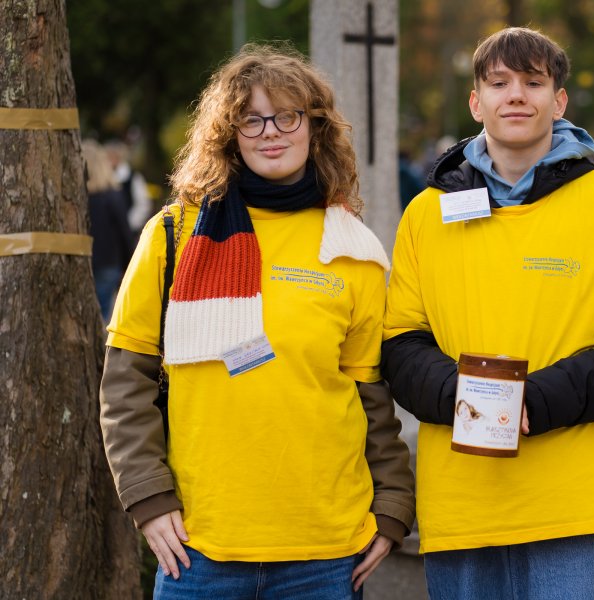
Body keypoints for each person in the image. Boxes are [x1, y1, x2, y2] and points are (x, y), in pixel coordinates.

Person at [99, 43, 415, 599]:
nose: (271, 132)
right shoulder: (173, 236)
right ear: (229, 133)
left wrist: (391, 507)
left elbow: (369, 395)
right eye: (251, 119)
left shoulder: (352, 250)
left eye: (287, 115)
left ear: (314, 127)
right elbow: (126, 380)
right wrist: (147, 497)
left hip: (326, 551)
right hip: (200, 547)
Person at [381, 27, 594, 599]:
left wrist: (528, 403)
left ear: (558, 101)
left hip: (571, 509)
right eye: (499, 83)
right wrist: (469, 400)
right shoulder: (426, 214)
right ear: (476, 102)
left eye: (533, 82)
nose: (516, 95)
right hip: (461, 507)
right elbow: (400, 346)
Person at [83, 138, 134, 322]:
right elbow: (124, 232)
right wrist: (129, 264)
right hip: (109, 263)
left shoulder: (76, 197)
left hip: (81, 259)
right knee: (102, 314)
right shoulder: (113, 195)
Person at [105, 138, 154, 237]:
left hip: (128, 232)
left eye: (113, 156)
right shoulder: (104, 178)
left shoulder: (133, 177)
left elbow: (143, 204)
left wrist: (128, 224)